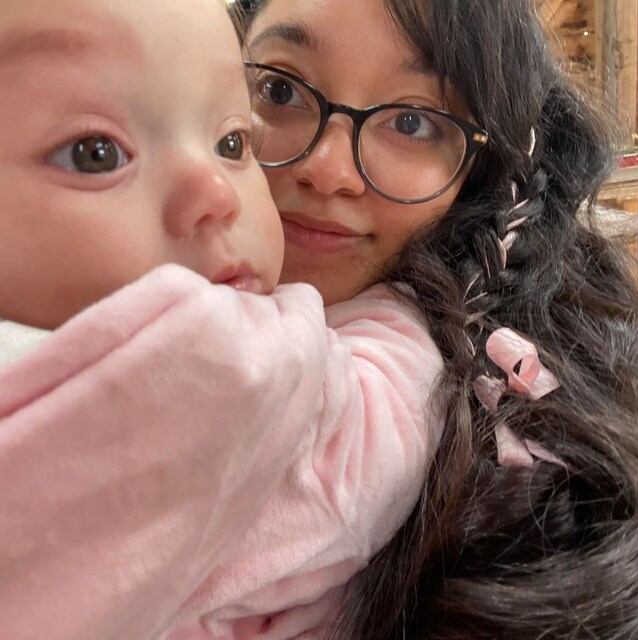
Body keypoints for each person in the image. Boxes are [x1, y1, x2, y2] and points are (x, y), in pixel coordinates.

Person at [0, 0, 444, 639]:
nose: (218, 193)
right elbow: (381, 422)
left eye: (232, 143)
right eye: (95, 154)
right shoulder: (219, 363)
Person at [231, 0, 638, 638]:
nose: (328, 170)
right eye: (280, 89)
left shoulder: (497, 455)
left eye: (412, 121)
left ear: (480, 171)